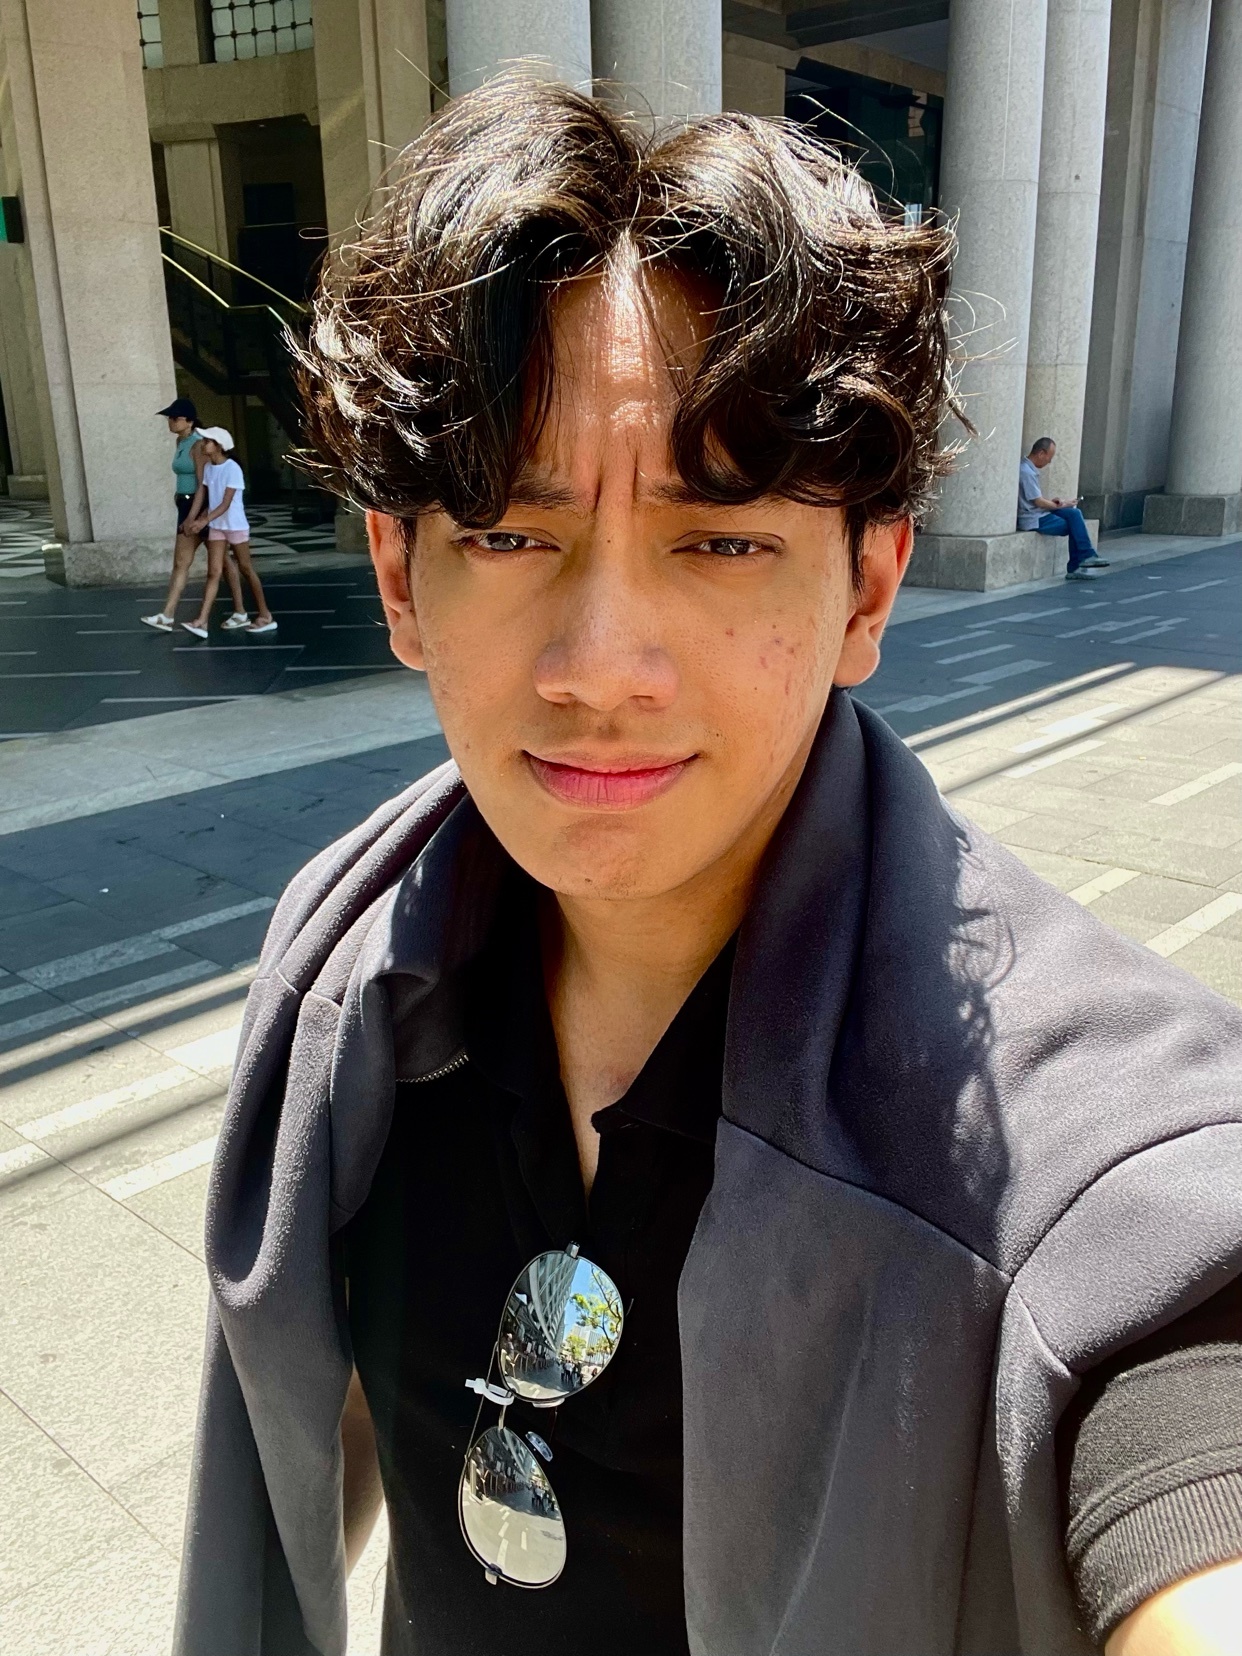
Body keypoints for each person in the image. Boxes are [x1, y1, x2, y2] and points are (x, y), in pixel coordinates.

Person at [174, 81, 1242, 1656]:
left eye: (723, 539)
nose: (601, 667)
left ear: (867, 587)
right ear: (402, 579)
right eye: (510, 536)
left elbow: (1172, 1415)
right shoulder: (354, 980)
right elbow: (317, 1420)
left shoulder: (1076, 1143)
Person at [142, 398, 250, 633]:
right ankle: (167, 614)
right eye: (169, 417)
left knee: (219, 562)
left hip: (199, 507)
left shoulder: (199, 445)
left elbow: (203, 483)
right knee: (187, 562)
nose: (170, 422)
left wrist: (196, 516)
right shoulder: (181, 442)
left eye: (175, 418)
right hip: (186, 504)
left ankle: (239, 611)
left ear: (189, 421)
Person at [178, 427, 277, 638]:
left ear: (219, 445)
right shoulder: (209, 469)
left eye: (207, 441)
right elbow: (202, 495)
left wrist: (202, 520)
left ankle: (265, 615)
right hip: (218, 527)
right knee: (214, 572)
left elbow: (225, 504)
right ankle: (202, 621)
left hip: (235, 525)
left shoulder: (232, 468)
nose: (203, 444)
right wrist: (192, 520)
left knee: (246, 568)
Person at [1017, 437, 1111, 581]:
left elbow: (1037, 500)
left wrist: (1060, 503)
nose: (1049, 461)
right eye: (1050, 457)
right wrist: (1059, 505)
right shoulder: (1026, 472)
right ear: (1041, 453)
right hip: (1033, 518)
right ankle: (1081, 560)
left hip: (1038, 513)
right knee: (1073, 523)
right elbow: (1038, 502)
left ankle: (1083, 557)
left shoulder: (1027, 468)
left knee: (1075, 513)